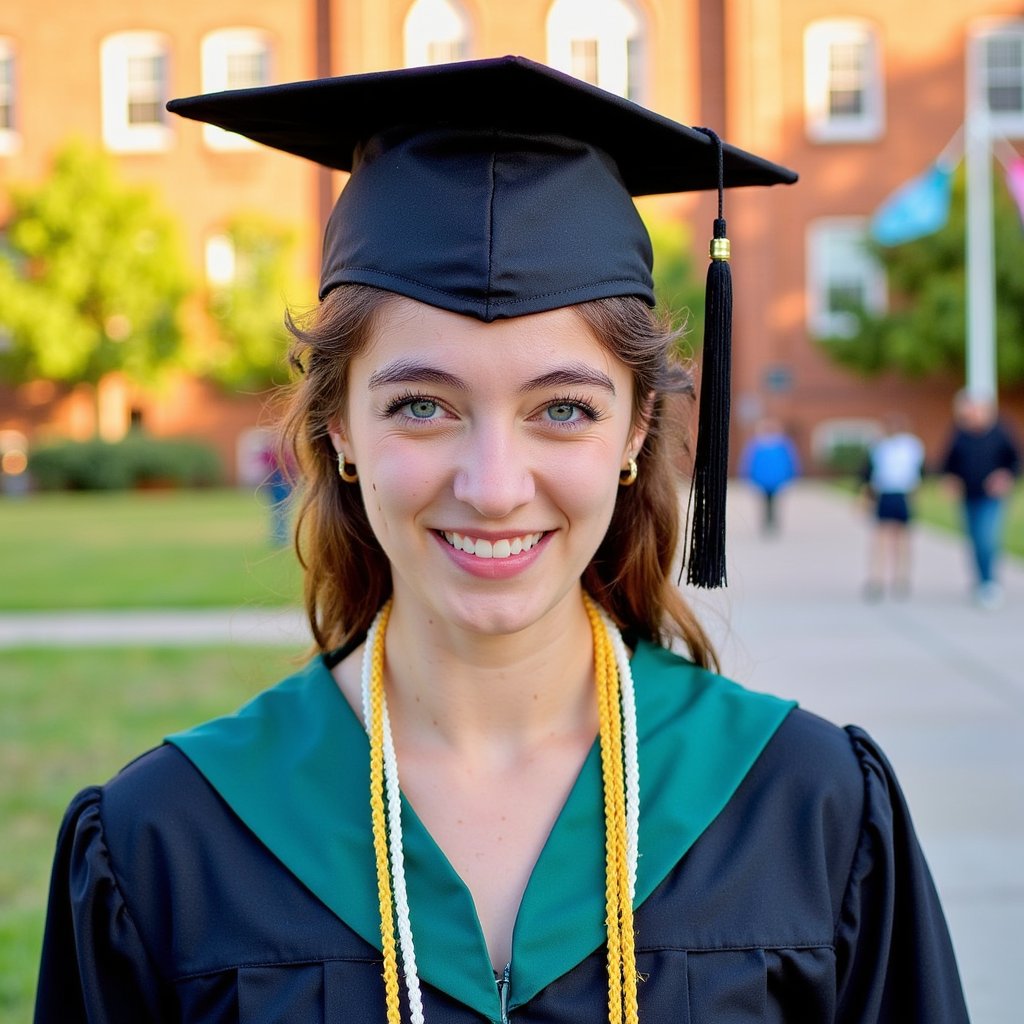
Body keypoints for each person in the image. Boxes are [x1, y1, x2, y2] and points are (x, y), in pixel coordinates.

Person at [35, 57, 970, 1022]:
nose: (492, 487)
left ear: (637, 429)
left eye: (562, 408)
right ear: (340, 429)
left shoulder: (806, 814)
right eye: (424, 406)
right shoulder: (168, 847)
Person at [940, 390, 1020, 609]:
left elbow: (1014, 461)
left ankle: (989, 583)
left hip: (990, 497)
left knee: (987, 538)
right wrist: (950, 479)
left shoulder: (1000, 432)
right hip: (968, 495)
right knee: (974, 540)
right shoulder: (960, 434)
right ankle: (980, 580)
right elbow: (947, 463)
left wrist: (1004, 476)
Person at [860, 414, 925, 600]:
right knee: (881, 538)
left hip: (903, 494)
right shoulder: (880, 447)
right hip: (885, 494)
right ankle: (877, 578)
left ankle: (901, 578)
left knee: (902, 540)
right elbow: (869, 474)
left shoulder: (912, 447)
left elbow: (918, 473)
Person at [738, 416, 800, 534]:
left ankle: (772, 521)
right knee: (766, 501)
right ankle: (767, 521)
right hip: (763, 479)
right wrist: (747, 475)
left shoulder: (781, 444)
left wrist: (792, 474)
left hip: (776, 479)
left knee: (773, 501)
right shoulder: (757, 444)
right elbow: (749, 461)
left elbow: (790, 461)